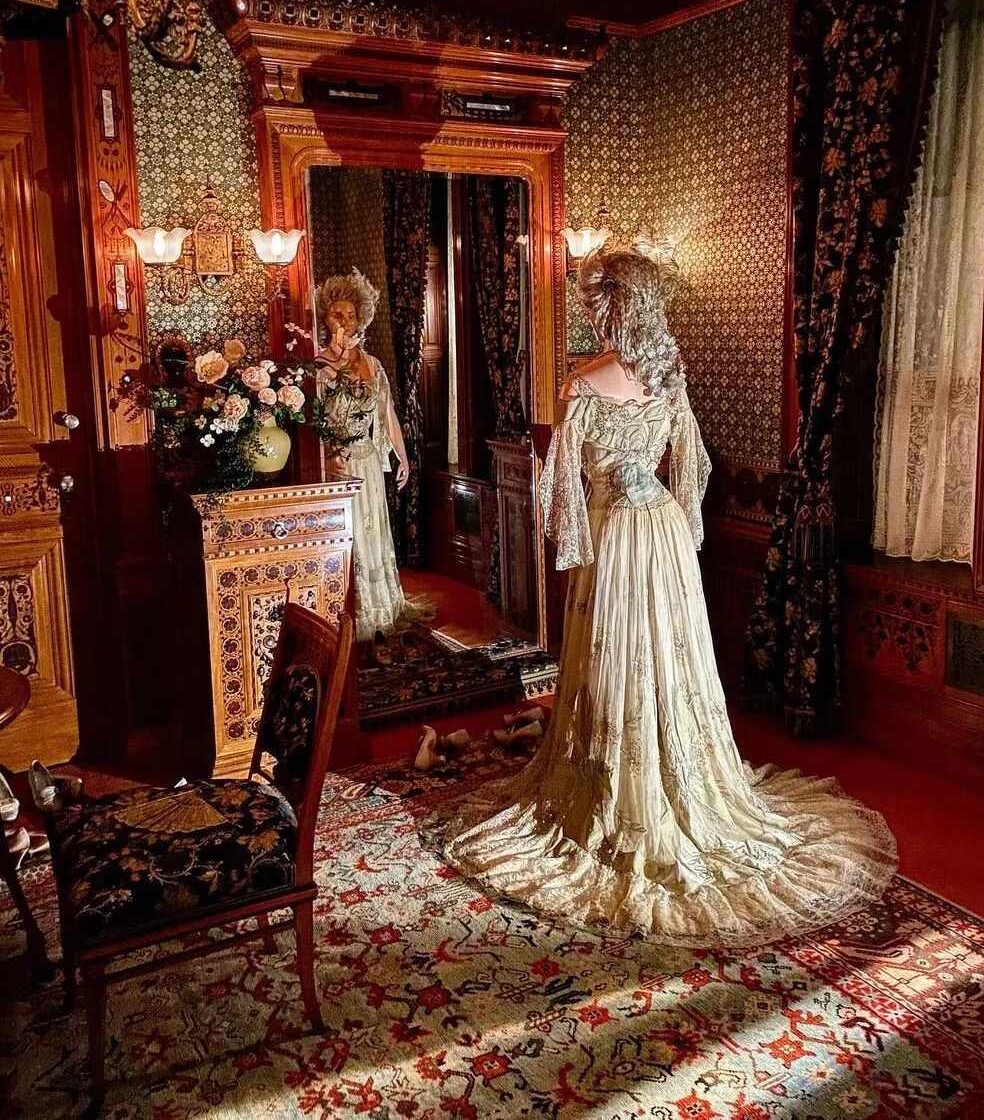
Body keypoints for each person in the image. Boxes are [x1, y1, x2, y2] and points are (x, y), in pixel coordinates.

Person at [443, 248, 897, 947]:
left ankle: (619, 786)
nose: (595, 317)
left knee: (618, 651)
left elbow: (559, 483)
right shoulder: (669, 376)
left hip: (617, 536)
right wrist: (682, 520)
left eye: (599, 306)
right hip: (660, 533)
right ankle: (659, 770)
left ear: (616, 310)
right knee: (664, 649)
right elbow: (695, 463)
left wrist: (575, 544)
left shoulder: (584, 384)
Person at [315, 270, 429, 643]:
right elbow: (312, 422)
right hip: (338, 464)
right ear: (325, 318)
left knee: (373, 533)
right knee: (348, 539)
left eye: (350, 315)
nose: (344, 321)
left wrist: (403, 457)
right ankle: (349, 613)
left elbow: (387, 413)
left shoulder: (372, 364)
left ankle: (380, 608)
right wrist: (327, 456)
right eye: (337, 314)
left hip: (368, 461)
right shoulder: (318, 366)